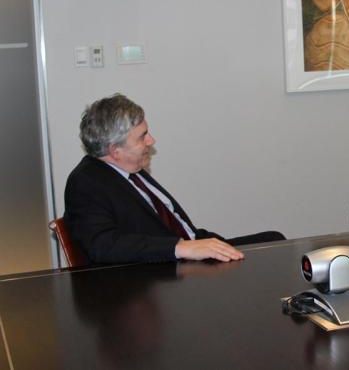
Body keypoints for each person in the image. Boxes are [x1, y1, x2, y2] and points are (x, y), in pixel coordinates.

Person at [64, 94, 285, 264]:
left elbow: (176, 226)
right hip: (166, 273)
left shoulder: (132, 169)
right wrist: (180, 248)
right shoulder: (86, 183)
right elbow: (103, 245)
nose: (151, 140)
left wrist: (205, 243)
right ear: (115, 150)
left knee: (274, 241)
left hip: (192, 251)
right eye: (142, 137)